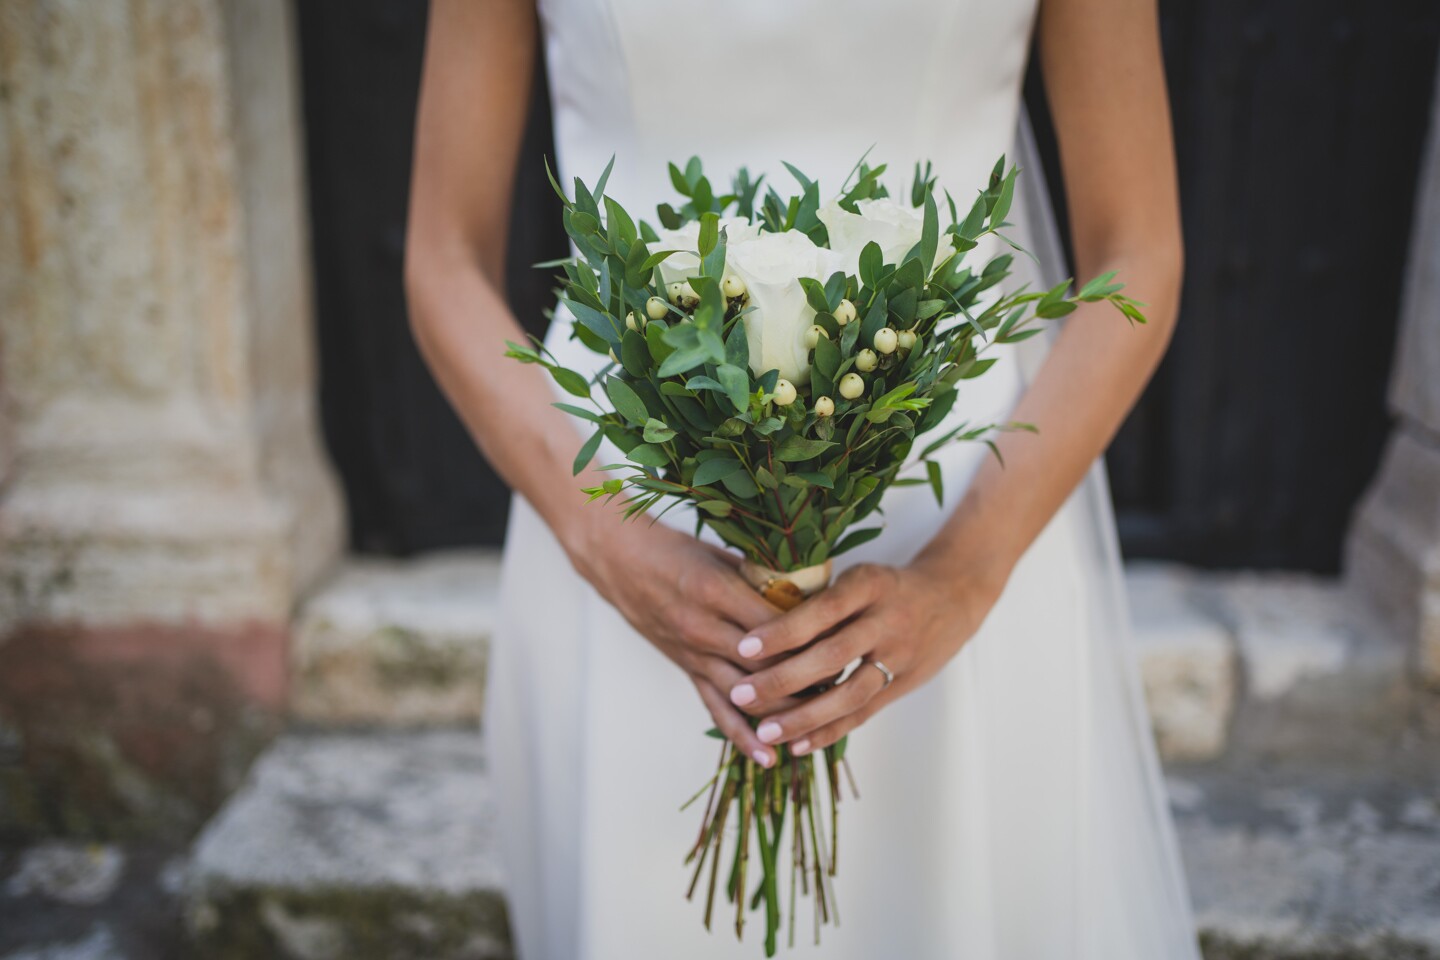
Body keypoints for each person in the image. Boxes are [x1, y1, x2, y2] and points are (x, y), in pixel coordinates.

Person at [404, 0, 1197, 957]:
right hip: (627, 535)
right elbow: (441, 255)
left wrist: (964, 574)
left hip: (964, 516)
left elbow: (1138, 251)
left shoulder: (967, 565)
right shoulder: (616, 550)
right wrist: (604, 539)